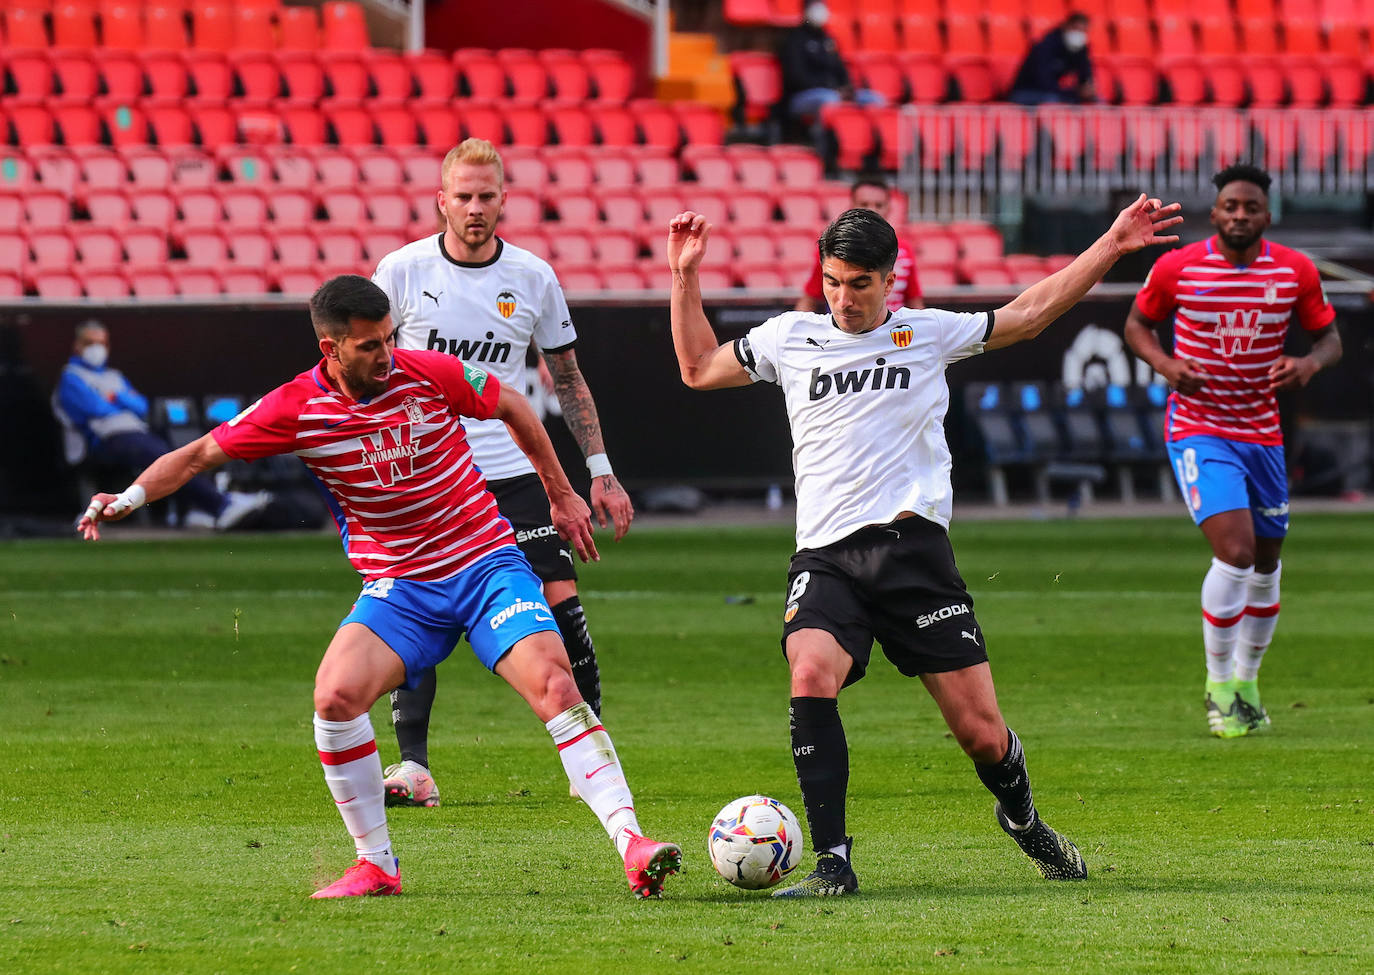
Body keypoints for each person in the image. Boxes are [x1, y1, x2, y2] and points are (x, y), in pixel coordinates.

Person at [77, 275, 681, 900]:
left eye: (389, 339)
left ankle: (632, 843)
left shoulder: (429, 372)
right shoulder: (295, 408)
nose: (386, 356)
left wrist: (558, 491)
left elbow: (513, 406)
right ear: (330, 348)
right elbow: (200, 455)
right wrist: (129, 497)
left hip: (485, 564)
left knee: (556, 685)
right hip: (401, 588)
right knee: (335, 697)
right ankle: (377, 865)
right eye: (369, 346)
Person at [666, 193, 1181, 896]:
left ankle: (1026, 822)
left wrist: (1112, 245)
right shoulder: (790, 337)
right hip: (826, 558)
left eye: (859, 284)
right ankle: (833, 862)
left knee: (980, 733)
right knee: (809, 673)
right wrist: (684, 276)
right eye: (833, 282)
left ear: (889, 279)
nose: (843, 298)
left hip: (915, 556)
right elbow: (695, 367)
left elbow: (1028, 315)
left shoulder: (927, 334)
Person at [372, 138, 634, 808]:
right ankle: (414, 766)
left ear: (504, 200)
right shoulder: (399, 272)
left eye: (487, 196)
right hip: (427, 475)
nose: (475, 208)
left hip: (512, 473)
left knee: (558, 601)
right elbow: (366, 371)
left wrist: (599, 472)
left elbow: (568, 381)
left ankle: (590, 755)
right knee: (414, 609)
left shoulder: (532, 277)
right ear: (441, 201)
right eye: (463, 195)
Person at [1123, 164, 1342, 739]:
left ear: (1266, 215)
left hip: (1263, 432)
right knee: (1238, 551)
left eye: (1251, 207)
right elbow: (1137, 327)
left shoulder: (1294, 270)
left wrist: (1308, 363)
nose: (1240, 215)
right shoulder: (1178, 267)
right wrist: (1168, 366)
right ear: (1214, 213)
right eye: (1230, 206)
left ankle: (1246, 683)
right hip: (1199, 426)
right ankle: (1218, 687)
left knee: (1268, 564)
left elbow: (1330, 339)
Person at [54, 320, 270, 530]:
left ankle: (203, 507)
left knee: (182, 450)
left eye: (101, 343)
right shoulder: (71, 376)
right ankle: (221, 506)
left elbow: (141, 406)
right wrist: (121, 399)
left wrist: (113, 396)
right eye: (90, 342)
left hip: (133, 435)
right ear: (77, 345)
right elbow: (96, 409)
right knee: (163, 458)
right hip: (101, 442)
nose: (96, 349)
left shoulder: (113, 376)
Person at [796, 175, 922, 314]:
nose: (871, 210)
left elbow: (914, 302)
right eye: (864, 204)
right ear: (852, 205)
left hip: (891, 332)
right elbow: (809, 299)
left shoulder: (903, 251)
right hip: (847, 331)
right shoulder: (834, 248)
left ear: (889, 208)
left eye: (878, 205)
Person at [779, 3, 884, 131]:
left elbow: (841, 69)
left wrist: (846, 88)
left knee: (874, 99)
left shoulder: (828, 40)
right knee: (829, 98)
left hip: (835, 92)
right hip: (801, 96)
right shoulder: (795, 41)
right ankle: (826, 140)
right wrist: (829, 87)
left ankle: (868, 139)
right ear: (806, 11)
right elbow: (796, 78)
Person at [1008, 12, 1095, 106]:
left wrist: (1086, 87)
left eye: (1083, 31)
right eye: (1076, 29)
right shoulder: (1044, 46)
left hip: (1053, 92)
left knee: (1096, 102)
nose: (1078, 34)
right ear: (1066, 27)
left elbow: (1085, 72)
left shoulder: (1080, 49)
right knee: (1055, 101)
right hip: (1026, 92)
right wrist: (1074, 93)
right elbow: (1043, 81)